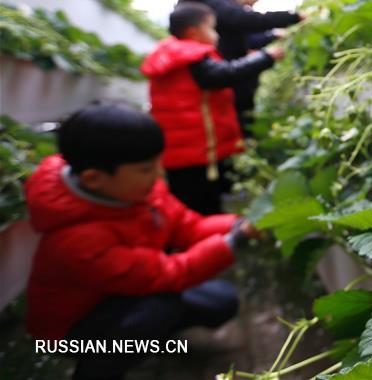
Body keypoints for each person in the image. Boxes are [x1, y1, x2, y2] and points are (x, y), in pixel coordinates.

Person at [24, 102, 258, 380]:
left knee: (220, 301)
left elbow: (188, 226)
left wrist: (234, 224)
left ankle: (144, 337)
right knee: (160, 306)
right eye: (147, 168)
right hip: (70, 330)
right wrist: (231, 243)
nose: (160, 173)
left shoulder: (136, 192)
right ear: (94, 178)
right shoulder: (77, 240)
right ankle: (95, 369)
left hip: (125, 292)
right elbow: (168, 273)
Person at [141, 2, 284, 214]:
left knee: (185, 200)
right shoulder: (190, 56)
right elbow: (226, 74)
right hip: (196, 150)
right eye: (211, 28)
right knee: (201, 203)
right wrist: (265, 57)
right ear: (193, 32)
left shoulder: (173, 54)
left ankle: (190, 236)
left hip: (181, 148)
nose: (216, 34)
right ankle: (205, 239)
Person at [179, 0, 301, 134]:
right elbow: (243, 22)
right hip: (224, 88)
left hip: (226, 85)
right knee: (229, 124)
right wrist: (291, 19)